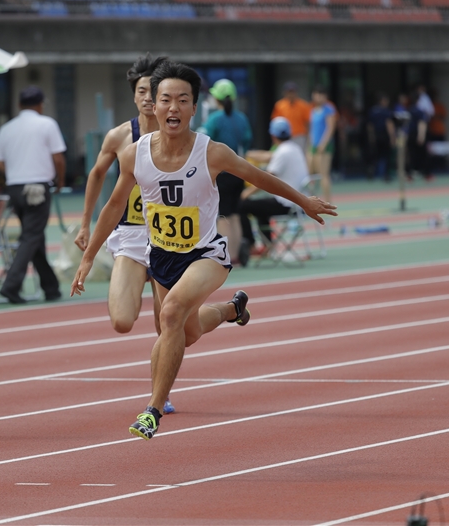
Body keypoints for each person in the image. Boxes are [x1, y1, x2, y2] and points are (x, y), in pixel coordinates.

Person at [71, 62, 337, 440]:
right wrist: (87, 255)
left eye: (183, 100)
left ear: (195, 108)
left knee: (172, 314)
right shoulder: (134, 154)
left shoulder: (211, 152)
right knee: (186, 330)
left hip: (206, 255)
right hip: (162, 255)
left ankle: (152, 409)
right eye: (166, 100)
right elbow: (114, 206)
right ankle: (233, 309)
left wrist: (303, 201)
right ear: (154, 106)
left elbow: (258, 176)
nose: (173, 108)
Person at [74, 54, 176, 414]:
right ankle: (224, 309)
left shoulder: (175, 136)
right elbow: (96, 174)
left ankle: (159, 394)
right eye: (143, 91)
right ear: (134, 95)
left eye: (155, 91)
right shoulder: (120, 136)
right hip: (131, 236)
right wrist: (86, 223)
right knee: (121, 321)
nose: (149, 98)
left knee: (168, 321)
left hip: (168, 238)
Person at [0, 86, 64, 304]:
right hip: (38, 186)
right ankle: (11, 286)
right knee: (31, 237)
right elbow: (58, 158)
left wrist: (15, 171)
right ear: (40, 105)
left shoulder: (7, 128)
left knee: (34, 236)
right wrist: (60, 181)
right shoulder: (47, 124)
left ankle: (50, 287)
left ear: (20, 105)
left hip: (15, 187)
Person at [201, 78, 253, 264]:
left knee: (222, 215)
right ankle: (238, 254)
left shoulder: (214, 119)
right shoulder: (242, 118)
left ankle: (227, 257)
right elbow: (247, 141)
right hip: (240, 170)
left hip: (222, 173)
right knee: (236, 213)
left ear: (217, 98)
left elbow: (204, 143)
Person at [240, 117, 310, 249]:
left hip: (288, 204)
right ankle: (268, 245)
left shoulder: (281, 152)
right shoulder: (295, 148)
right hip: (299, 202)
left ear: (273, 135)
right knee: (260, 208)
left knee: (242, 205)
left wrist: (246, 193)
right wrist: (247, 154)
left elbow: (266, 179)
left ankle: (251, 244)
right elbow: (268, 156)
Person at [308, 85, 337, 203]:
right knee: (311, 175)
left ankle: (328, 202)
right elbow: (311, 129)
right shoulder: (313, 110)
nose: (319, 97)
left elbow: (330, 127)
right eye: (316, 94)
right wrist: (310, 145)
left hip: (324, 146)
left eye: (321, 94)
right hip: (313, 146)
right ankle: (312, 200)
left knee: (324, 174)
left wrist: (323, 143)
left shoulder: (329, 109)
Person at [271, 82, 311, 151]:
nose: (291, 94)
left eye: (292, 92)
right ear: (285, 93)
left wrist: (309, 138)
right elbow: (275, 122)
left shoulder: (303, 105)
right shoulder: (279, 105)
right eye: (289, 92)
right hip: (284, 136)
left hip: (299, 136)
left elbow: (307, 123)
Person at [366, 92, 396, 181]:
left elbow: (369, 126)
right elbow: (389, 124)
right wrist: (392, 137)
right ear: (382, 101)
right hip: (384, 135)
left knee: (375, 155)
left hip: (375, 135)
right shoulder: (386, 111)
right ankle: (386, 175)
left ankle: (371, 173)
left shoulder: (372, 111)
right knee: (386, 155)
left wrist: (371, 136)